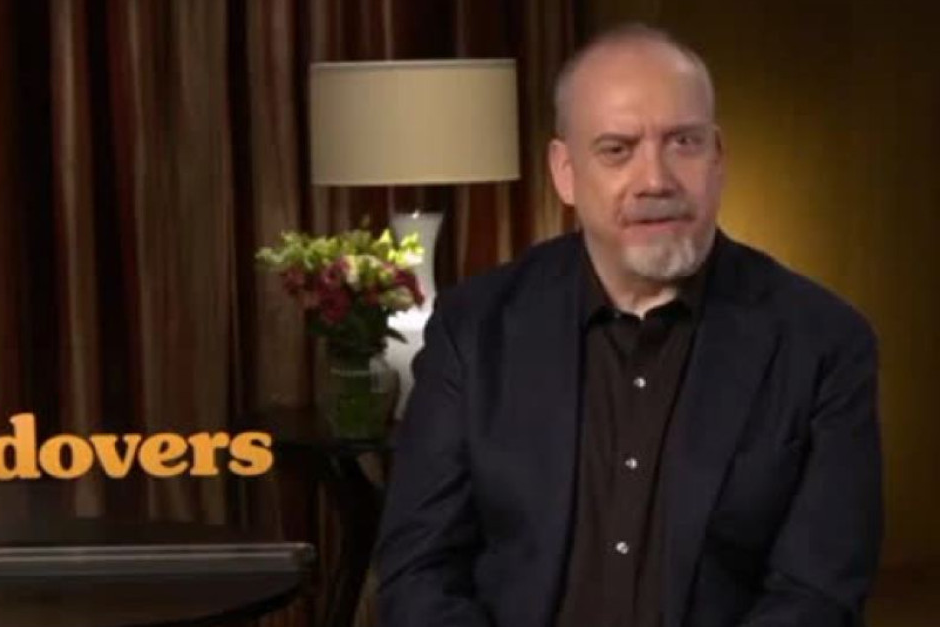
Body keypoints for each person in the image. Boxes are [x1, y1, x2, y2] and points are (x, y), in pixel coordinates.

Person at [375, 23, 882, 627]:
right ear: (565, 171)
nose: (656, 180)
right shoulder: (474, 328)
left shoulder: (823, 342)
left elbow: (817, 595)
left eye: (684, 142)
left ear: (717, 157)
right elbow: (419, 570)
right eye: (617, 149)